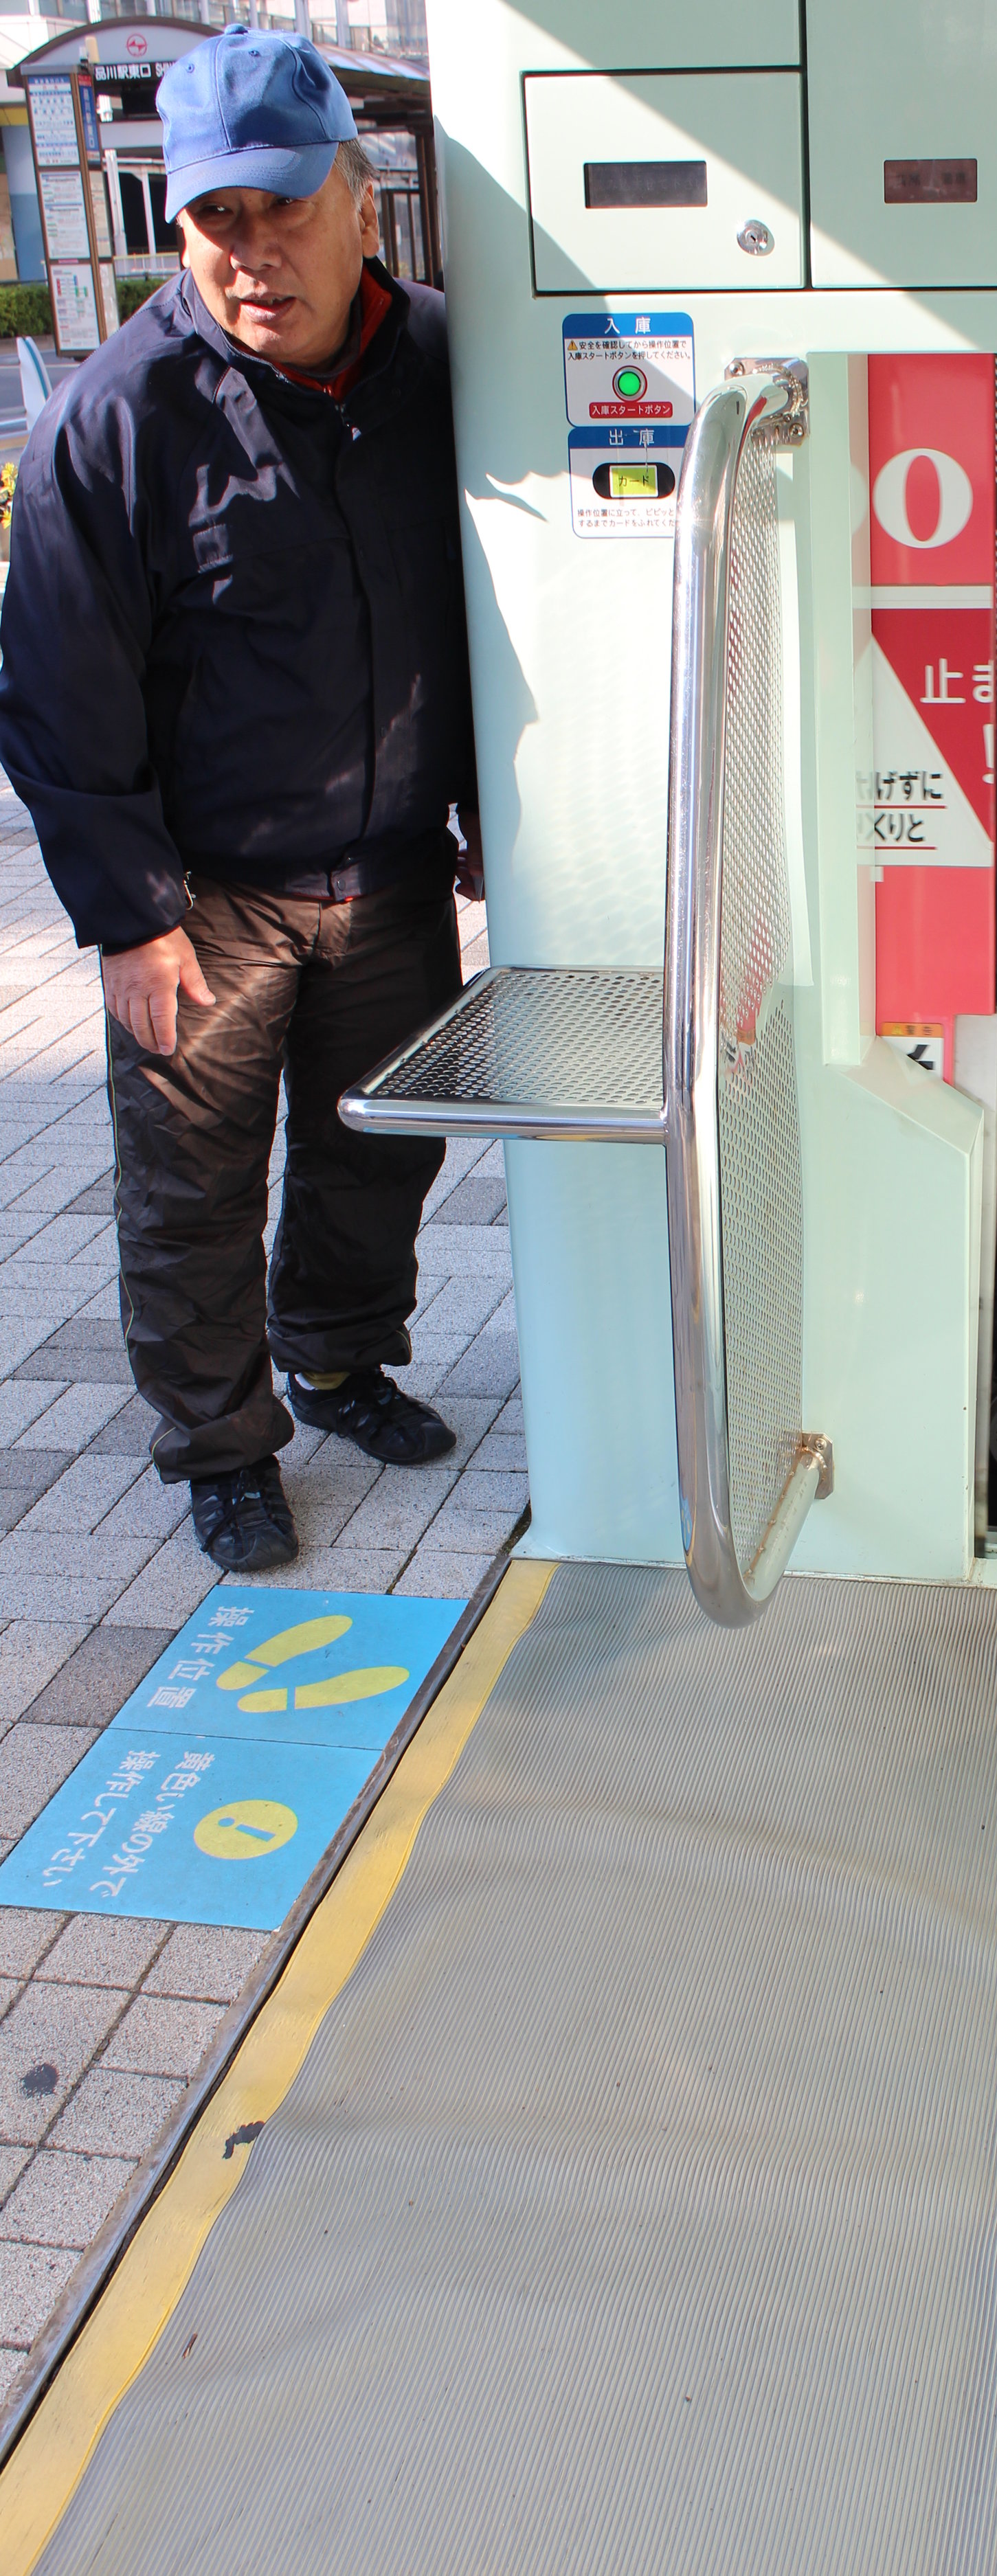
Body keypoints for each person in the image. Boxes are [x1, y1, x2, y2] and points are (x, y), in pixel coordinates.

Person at [0, 26, 480, 1574]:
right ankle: (221, 1445)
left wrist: (488, 810)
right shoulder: (121, 414)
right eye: (216, 220)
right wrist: (128, 920)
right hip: (204, 894)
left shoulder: (446, 370)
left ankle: (337, 1359)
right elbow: (59, 688)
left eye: (282, 210)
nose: (252, 255)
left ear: (361, 200)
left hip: (393, 867)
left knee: (375, 1148)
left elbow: (496, 612)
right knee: (193, 1185)